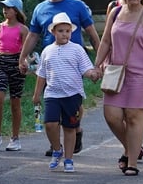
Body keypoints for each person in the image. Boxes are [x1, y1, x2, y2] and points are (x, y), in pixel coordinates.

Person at [19, 0, 100, 156]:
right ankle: (55, 144)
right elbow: (33, 35)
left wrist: (100, 60)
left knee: (74, 98)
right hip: (51, 61)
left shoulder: (77, 6)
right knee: (52, 98)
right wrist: (22, 56)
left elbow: (92, 33)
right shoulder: (41, 8)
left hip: (74, 61)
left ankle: (75, 129)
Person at [94, 0, 143, 176]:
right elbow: (106, 41)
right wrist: (97, 65)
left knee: (134, 116)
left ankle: (132, 161)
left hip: (141, 74)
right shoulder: (115, 13)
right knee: (111, 115)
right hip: (115, 72)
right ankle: (132, 146)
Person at [32, 12, 100, 173]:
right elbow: (42, 74)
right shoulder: (47, 51)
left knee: (70, 127)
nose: (64, 34)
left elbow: (86, 68)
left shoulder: (77, 49)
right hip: (52, 95)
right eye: (61, 31)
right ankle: (57, 149)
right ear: (53, 32)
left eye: (67, 31)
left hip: (72, 95)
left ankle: (69, 159)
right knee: (50, 124)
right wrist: (36, 94)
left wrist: (92, 74)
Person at [0, 0, 29, 152]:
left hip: (16, 64)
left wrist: (24, 62)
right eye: (4, 7)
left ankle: (15, 138)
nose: (5, 10)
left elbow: (26, 50)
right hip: (0, 64)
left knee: (15, 102)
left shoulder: (23, 29)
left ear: (17, 10)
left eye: (9, 7)